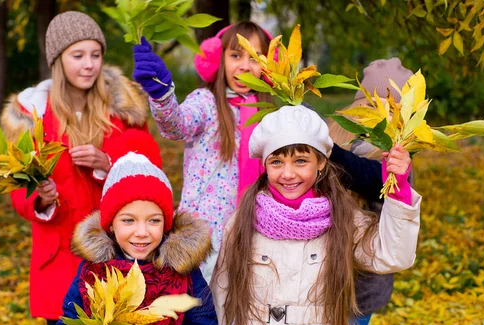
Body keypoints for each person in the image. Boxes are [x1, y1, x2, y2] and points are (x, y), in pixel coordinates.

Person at [132, 22, 386, 283]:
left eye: (254, 57)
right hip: (205, 235)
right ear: (217, 60)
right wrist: (162, 94)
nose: (244, 65)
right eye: (235, 55)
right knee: (203, 311)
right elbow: (177, 125)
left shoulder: (270, 114)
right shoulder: (205, 102)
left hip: (255, 232)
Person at [207, 105, 421, 325]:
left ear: (321, 163)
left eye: (301, 161)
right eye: (277, 162)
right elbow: (220, 300)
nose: (288, 173)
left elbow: (393, 255)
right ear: (265, 165)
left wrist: (398, 191)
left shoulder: (343, 218)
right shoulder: (243, 221)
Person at [0, 11, 151, 325]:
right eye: (77, 55)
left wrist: (108, 165)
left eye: (95, 54)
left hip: (112, 253)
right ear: (58, 60)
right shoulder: (32, 117)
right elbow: (19, 187)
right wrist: (41, 198)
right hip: (59, 253)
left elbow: (148, 168)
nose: (88, 64)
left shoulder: (122, 111)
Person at [54, 132, 222, 325]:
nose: (142, 232)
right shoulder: (94, 273)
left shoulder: (185, 274)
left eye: (153, 221)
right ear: (111, 224)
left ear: (166, 222)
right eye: (128, 221)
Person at [327, 58, 415, 325]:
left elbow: (370, 179)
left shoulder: (396, 158)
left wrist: (330, 153)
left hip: (361, 285)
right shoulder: (336, 136)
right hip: (324, 275)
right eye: (375, 106)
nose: (384, 117)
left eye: (394, 110)